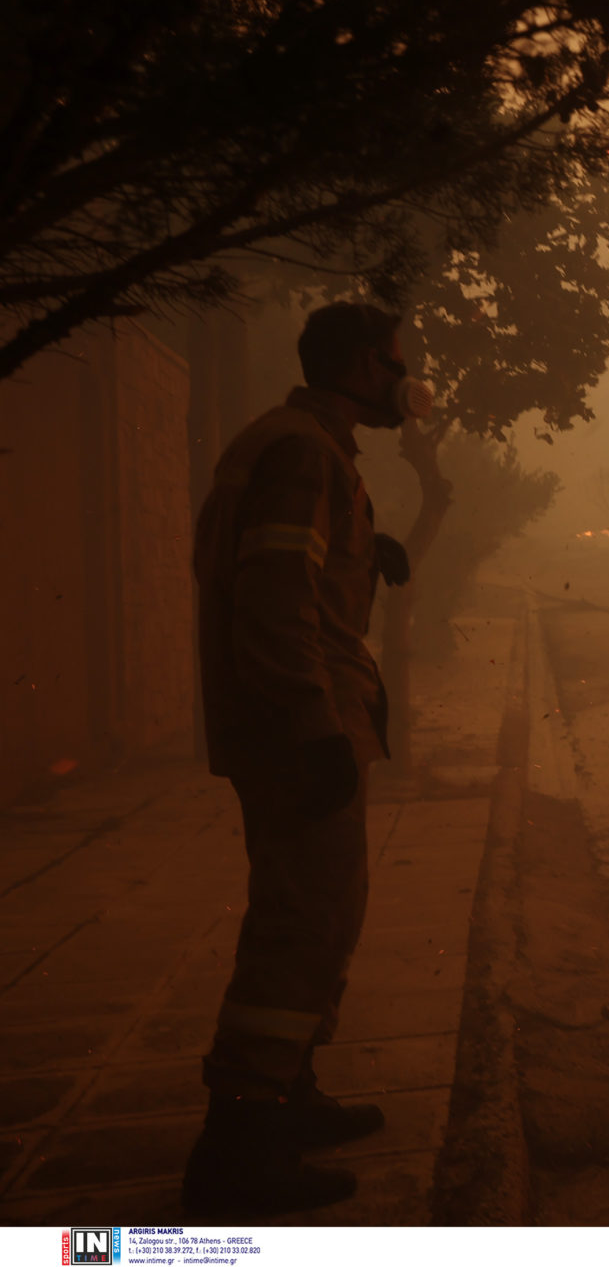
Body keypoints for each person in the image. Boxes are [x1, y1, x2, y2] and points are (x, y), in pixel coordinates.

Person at [182, 302, 430, 1216]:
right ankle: (238, 1149)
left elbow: (298, 568)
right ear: (365, 365)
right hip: (302, 729)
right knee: (301, 926)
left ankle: (290, 1099)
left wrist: (371, 552)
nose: (407, 378)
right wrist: (314, 725)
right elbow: (275, 597)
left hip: (298, 722)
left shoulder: (295, 443)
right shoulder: (305, 453)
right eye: (397, 360)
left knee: (321, 913)